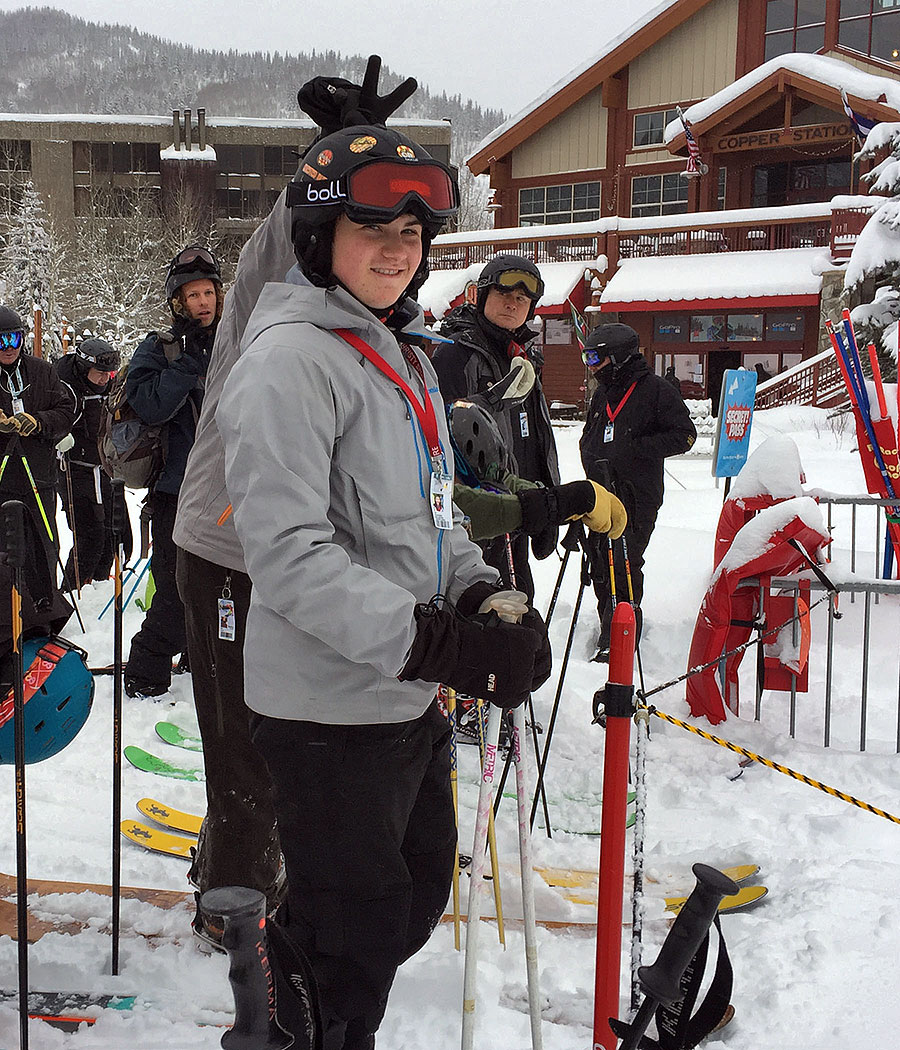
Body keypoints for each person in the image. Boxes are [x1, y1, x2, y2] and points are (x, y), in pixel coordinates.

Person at [216, 106, 551, 1050]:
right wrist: (440, 642)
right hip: (326, 713)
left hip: (403, 702)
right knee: (352, 936)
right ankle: (291, 1031)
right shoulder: (288, 363)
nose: (396, 249)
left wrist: (485, 595)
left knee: (405, 901)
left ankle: (290, 1002)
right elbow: (288, 556)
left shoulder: (397, 357)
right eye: (373, 228)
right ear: (321, 237)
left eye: (412, 233)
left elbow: (434, 520)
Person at [174, 201, 294, 945]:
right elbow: (260, 263)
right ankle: (235, 886)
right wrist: (322, 166)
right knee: (239, 734)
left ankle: (258, 853)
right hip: (224, 557)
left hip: (297, 563)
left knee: (291, 726)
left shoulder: (349, 339)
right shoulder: (252, 324)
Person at [123, 247, 223, 699]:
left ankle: (204, 661)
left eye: (209, 292)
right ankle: (146, 674)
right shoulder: (161, 348)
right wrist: (186, 366)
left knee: (224, 587)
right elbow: (149, 405)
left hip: (228, 486)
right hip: (176, 490)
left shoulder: (234, 339)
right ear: (177, 302)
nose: (203, 302)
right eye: (193, 294)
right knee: (175, 587)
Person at [431, 254, 560, 599]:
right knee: (493, 623)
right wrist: (493, 398)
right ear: (481, 296)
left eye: (522, 299)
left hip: (516, 509)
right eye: (503, 295)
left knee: (522, 611)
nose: (512, 304)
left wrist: (548, 497)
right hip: (477, 517)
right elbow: (440, 428)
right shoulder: (454, 353)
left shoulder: (522, 354)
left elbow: (536, 436)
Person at [580, 323, 696, 659]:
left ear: (617, 357)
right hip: (602, 492)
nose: (592, 366)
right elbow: (592, 434)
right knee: (600, 560)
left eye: (595, 358)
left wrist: (637, 447)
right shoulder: (603, 393)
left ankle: (622, 633)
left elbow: (685, 435)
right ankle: (609, 624)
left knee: (625, 561)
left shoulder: (655, 390)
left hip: (637, 495)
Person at [0, 305, 75, 622]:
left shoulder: (42, 371)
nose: (9, 348)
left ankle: (45, 612)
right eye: (1, 341)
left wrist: (38, 422)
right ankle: (7, 617)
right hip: (3, 478)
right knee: (7, 550)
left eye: (14, 338)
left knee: (44, 547)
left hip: (38, 477)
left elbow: (65, 412)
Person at [56, 336, 133, 587]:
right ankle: (73, 589)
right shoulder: (65, 388)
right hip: (75, 470)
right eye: (99, 373)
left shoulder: (110, 386)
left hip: (106, 468)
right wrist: (60, 437)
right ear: (84, 367)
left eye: (108, 373)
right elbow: (52, 419)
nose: (104, 378)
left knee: (117, 534)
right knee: (91, 537)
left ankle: (98, 585)